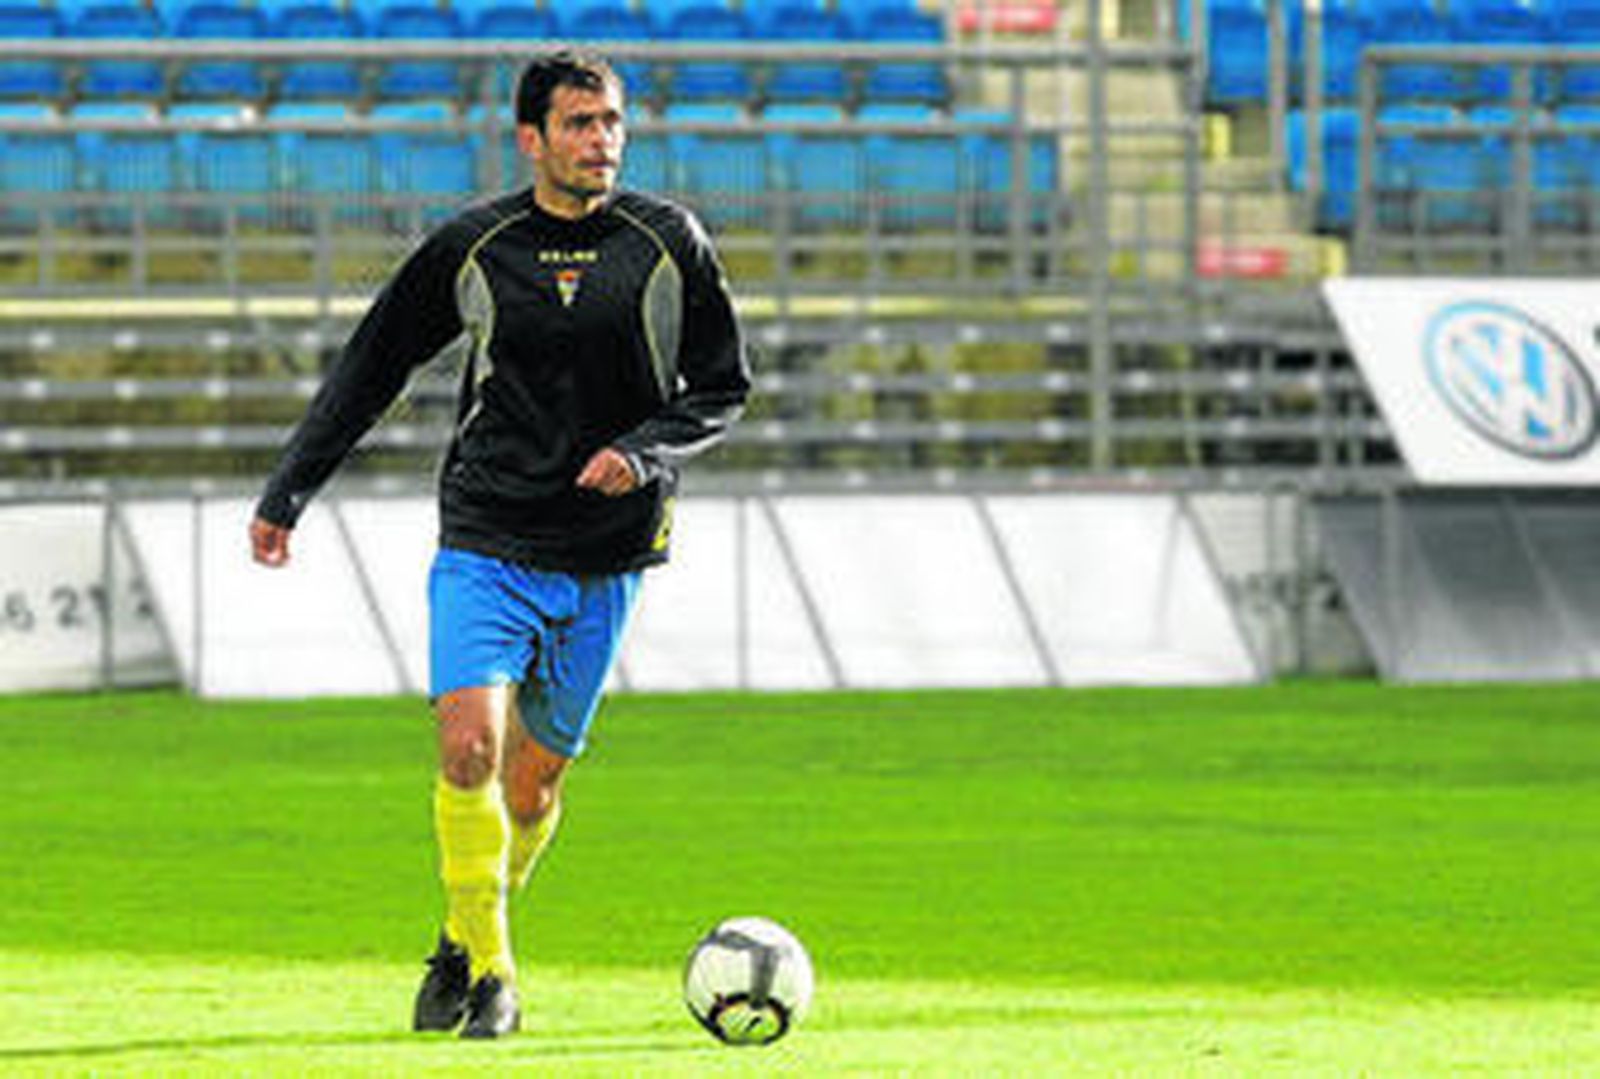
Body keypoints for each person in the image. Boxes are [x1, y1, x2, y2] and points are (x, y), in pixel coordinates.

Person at [248, 49, 750, 1039]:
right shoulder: (474, 248)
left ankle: (458, 934)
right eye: (577, 124)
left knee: (534, 782)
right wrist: (290, 487)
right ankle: (497, 978)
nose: (599, 140)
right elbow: (373, 364)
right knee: (468, 745)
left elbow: (722, 386)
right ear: (531, 139)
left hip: (608, 553)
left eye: (610, 122)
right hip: (487, 535)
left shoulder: (669, 243)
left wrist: (643, 453)